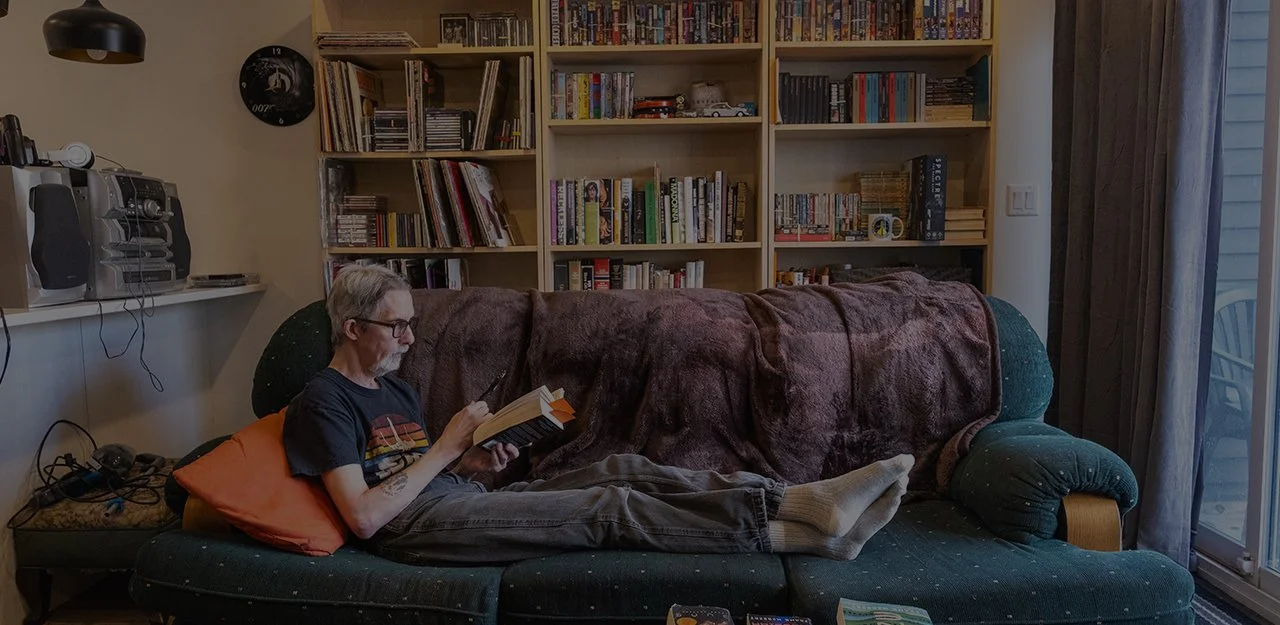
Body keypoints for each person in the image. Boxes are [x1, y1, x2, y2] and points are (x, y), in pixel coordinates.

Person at [282, 264, 914, 565]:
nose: (410, 339)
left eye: (411, 324)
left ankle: (799, 503)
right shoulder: (323, 401)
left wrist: (472, 461)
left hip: (452, 496)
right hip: (412, 529)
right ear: (352, 328)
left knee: (622, 468)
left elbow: (417, 471)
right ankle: (797, 535)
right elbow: (365, 517)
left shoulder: (395, 390)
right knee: (608, 508)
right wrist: (448, 448)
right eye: (396, 326)